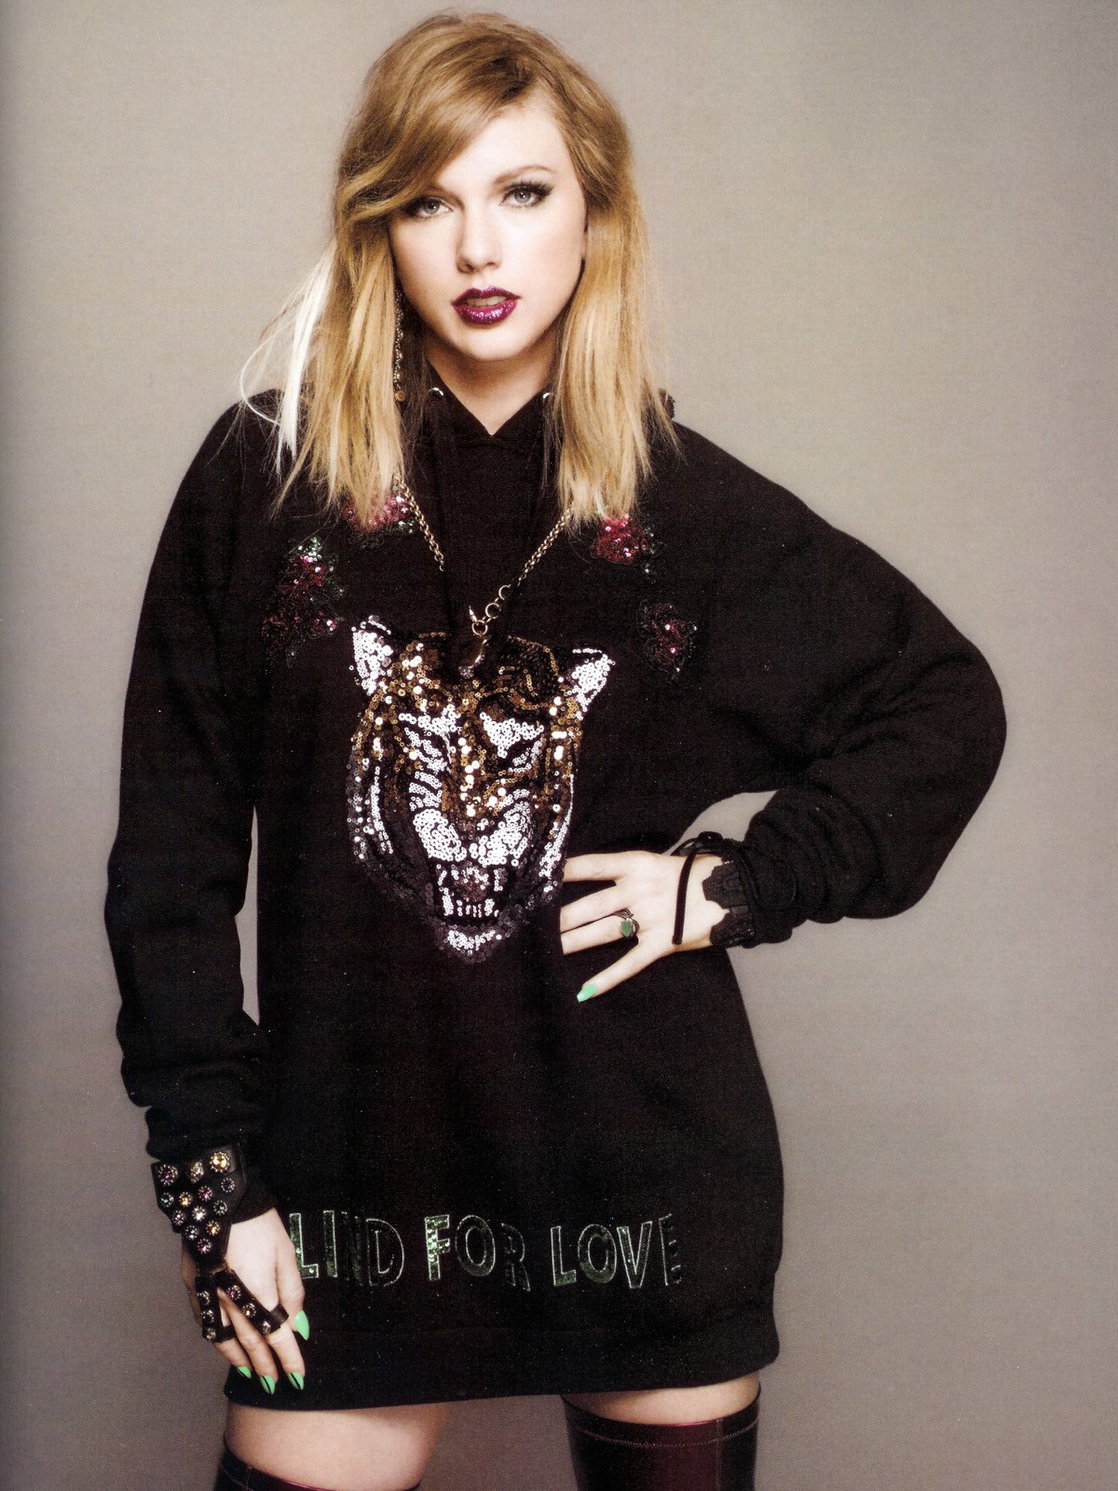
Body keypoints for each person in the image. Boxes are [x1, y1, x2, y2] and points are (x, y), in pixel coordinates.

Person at [106, 12, 1005, 1491]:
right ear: (378, 227)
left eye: (522, 193)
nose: (478, 246)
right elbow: (170, 866)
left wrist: (728, 886)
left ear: (593, 216)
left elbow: (940, 702)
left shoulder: (681, 512)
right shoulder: (263, 484)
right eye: (429, 200)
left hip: (643, 1187)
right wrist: (213, 1185)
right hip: (347, 1200)